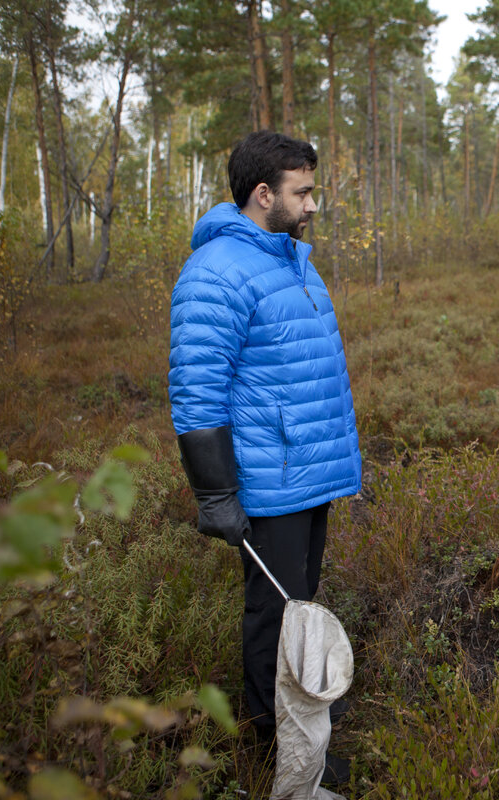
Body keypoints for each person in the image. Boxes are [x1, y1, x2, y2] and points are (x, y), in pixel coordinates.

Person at [169, 131, 362, 781]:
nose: (312, 204)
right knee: (274, 618)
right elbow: (196, 391)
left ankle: (298, 733)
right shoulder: (216, 271)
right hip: (268, 480)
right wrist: (216, 494)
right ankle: (275, 749)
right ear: (262, 194)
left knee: (299, 607)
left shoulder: (292, 261)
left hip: (306, 474)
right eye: (302, 192)